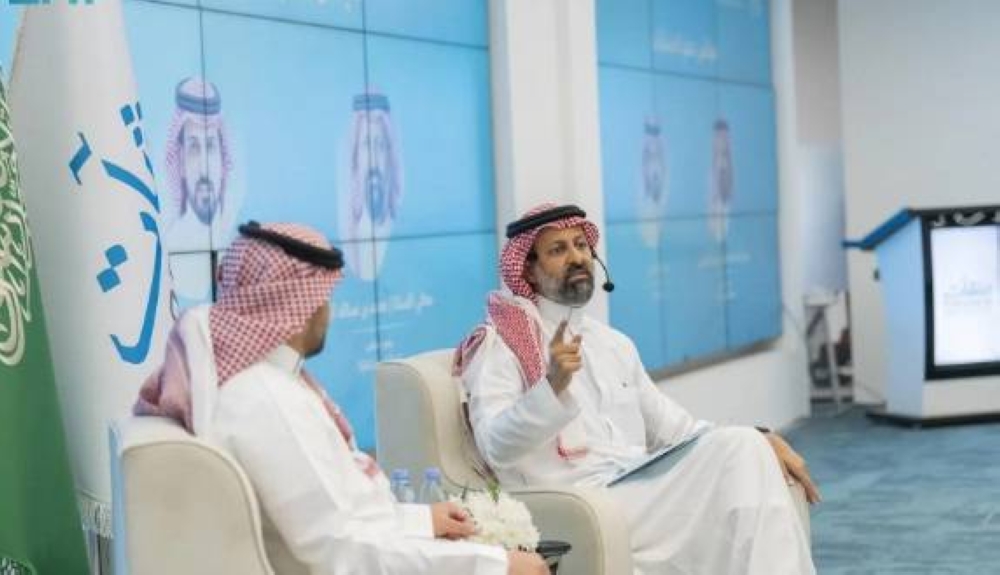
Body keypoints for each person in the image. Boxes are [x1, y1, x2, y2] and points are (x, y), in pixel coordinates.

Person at [135, 221, 546, 575]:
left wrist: (423, 521)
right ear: (300, 303)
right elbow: (340, 549)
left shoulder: (263, 383)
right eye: (324, 297)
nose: (327, 312)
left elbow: (339, 516)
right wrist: (493, 565)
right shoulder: (263, 399)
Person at [456, 203, 819, 575]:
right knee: (743, 456)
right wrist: (550, 388)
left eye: (581, 245)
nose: (577, 257)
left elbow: (676, 429)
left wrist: (760, 436)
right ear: (527, 270)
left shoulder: (613, 344)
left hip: (637, 487)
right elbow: (495, 446)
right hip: (581, 502)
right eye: (558, 249)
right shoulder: (501, 344)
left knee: (746, 449)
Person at [163, 76, 236, 253]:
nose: (204, 170)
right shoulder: (171, 243)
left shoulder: (236, 236)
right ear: (180, 163)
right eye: (194, 148)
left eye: (210, 146)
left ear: (223, 159)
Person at [341, 91, 403, 281]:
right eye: (366, 145)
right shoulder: (346, 224)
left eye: (380, 146)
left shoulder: (400, 218)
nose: (374, 159)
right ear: (356, 157)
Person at [708, 118, 734, 243]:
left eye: (724, 136)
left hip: (724, 190)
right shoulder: (714, 156)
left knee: (723, 210)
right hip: (716, 192)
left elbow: (729, 173)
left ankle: (721, 237)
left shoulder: (727, 156)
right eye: (718, 136)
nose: (721, 140)